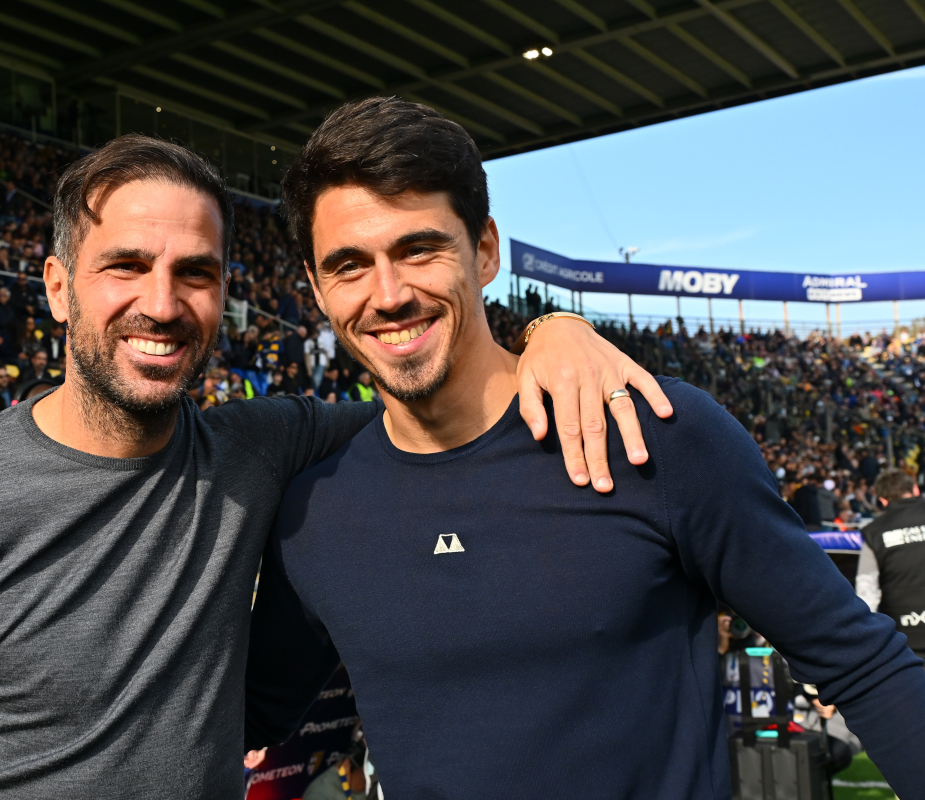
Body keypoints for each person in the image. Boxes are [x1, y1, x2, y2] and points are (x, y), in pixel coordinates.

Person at [0, 134, 669, 799]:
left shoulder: (262, 447)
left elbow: (438, 404)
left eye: (197, 273)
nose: (161, 303)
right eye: (126, 267)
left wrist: (552, 331)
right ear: (57, 286)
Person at [243, 97, 925, 798]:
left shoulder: (655, 435)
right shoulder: (314, 514)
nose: (388, 294)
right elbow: (235, 715)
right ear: (317, 287)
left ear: (484, 250)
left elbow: (863, 665)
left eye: (418, 249)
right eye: (349, 265)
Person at [857, 468, 925, 661]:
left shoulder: (874, 533)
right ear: (915, 489)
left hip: (906, 641)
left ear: (883, 500)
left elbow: (867, 592)